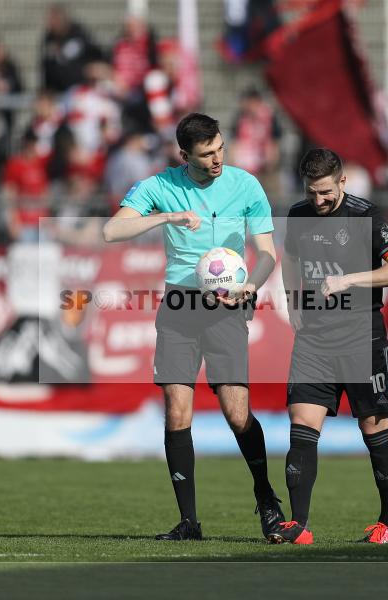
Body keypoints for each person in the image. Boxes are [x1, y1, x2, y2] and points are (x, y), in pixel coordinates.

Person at [102, 113, 284, 541]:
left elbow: (267, 254)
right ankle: (189, 522)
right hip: (180, 307)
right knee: (177, 410)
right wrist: (166, 218)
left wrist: (248, 288)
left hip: (227, 308)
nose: (217, 159)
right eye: (206, 154)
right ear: (184, 155)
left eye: (220, 148)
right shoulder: (160, 186)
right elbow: (113, 231)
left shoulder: (246, 186)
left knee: (237, 414)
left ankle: (266, 498)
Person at [271, 148, 388, 545]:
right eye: (312, 192)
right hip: (314, 340)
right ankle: (297, 524)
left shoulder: (366, 217)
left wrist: (349, 279)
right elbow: (291, 259)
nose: (318, 201)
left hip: (361, 338)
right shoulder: (298, 216)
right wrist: (293, 301)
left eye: (325, 192)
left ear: (342, 182)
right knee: (301, 425)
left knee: (375, 428)